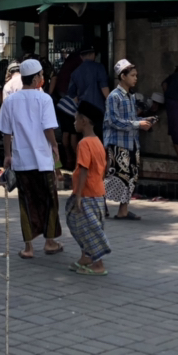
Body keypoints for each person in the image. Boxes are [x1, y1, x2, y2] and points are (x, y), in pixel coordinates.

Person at [0, 58, 62, 259]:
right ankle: (49, 242)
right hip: (43, 161)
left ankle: (28, 248)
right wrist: (55, 146)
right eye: (41, 75)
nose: (43, 79)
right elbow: (48, 128)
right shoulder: (44, 99)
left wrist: (7, 155)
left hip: (22, 161)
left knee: (26, 202)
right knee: (50, 200)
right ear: (35, 78)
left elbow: (6, 133)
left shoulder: (10, 101)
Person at [104, 59, 152, 221]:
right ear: (122, 76)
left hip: (131, 143)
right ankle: (98, 205)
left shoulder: (130, 97)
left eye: (135, 75)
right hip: (118, 144)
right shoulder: (114, 97)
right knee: (114, 177)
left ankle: (123, 210)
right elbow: (113, 121)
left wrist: (144, 121)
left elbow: (130, 120)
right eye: (132, 75)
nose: (135, 78)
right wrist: (138, 123)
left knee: (130, 177)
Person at [68, 101, 110, 275]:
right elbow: (104, 168)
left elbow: (84, 169)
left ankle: (98, 264)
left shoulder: (84, 144)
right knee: (85, 225)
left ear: (84, 121)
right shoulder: (97, 142)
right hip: (98, 192)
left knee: (89, 228)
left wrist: (78, 196)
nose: (74, 122)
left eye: (76, 119)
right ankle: (86, 256)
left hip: (86, 194)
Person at [66, 47, 110, 135]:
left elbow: (71, 93)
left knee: (86, 136)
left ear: (81, 57)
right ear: (93, 55)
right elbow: (104, 88)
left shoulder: (75, 72)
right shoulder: (99, 67)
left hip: (84, 109)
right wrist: (111, 103)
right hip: (98, 109)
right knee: (98, 137)